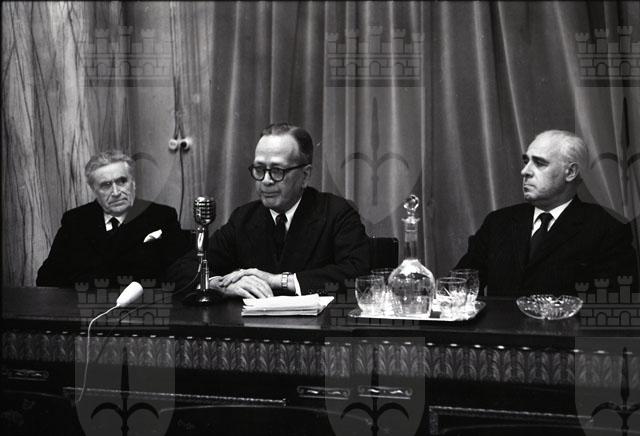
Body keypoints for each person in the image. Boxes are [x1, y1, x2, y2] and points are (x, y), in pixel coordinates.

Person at [169, 123, 370, 298]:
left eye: (276, 171)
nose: (266, 180)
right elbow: (182, 269)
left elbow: (360, 274)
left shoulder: (336, 213)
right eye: (259, 169)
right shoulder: (244, 219)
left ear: (305, 175)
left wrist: (278, 280)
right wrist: (220, 285)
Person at [455, 130, 638, 296]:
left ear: (571, 172)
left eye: (539, 163)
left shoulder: (607, 228)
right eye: (526, 161)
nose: (525, 171)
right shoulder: (498, 222)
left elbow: (613, 306)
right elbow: (457, 288)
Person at [36, 150, 190, 288]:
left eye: (122, 181)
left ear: (133, 183)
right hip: (86, 306)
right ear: (94, 190)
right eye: (106, 185)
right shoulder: (75, 221)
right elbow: (47, 278)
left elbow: (182, 275)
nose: (116, 192)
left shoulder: (161, 217)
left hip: (142, 306)